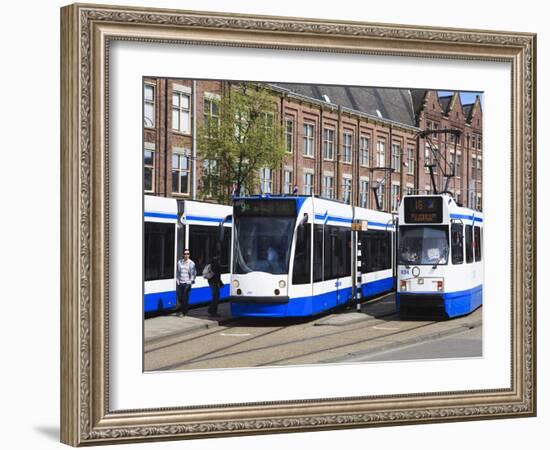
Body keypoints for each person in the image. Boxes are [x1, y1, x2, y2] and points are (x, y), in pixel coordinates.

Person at [176, 249, 196, 316]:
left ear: (189, 255)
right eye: (185, 254)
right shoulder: (179, 262)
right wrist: (177, 281)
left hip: (187, 283)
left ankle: (183, 312)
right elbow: (178, 272)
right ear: (183, 255)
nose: (186, 255)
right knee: (180, 298)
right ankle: (185, 310)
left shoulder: (191, 263)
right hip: (180, 282)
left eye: (187, 254)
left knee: (184, 297)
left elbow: (193, 274)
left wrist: (190, 282)